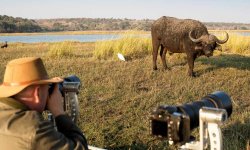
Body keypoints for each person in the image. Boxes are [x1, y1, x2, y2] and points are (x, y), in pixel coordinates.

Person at [0, 57, 88, 149]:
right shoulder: (35, 130)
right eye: (47, 89)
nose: (48, 95)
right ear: (37, 93)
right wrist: (59, 112)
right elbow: (80, 147)